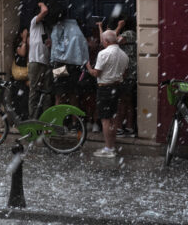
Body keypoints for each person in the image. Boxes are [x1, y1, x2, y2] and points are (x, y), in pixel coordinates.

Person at [85, 29, 129, 158]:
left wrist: (88, 67)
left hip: (104, 88)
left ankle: (108, 148)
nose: (102, 43)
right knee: (114, 119)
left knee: (105, 119)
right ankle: (112, 146)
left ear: (106, 41)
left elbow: (96, 73)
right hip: (117, 87)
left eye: (103, 41)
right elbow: (125, 73)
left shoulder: (103, 54)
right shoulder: (124, 55)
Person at [49, 13, 87, 106]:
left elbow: (54, 46)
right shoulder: (77, 30)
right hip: (74, 65)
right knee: (73, 94)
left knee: (59, 94)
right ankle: (74, 119)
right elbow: (83, 48)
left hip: (60, 64)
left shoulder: (58, 27)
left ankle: (58, 118)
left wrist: (54, 59)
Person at [28, 2, 53, 116]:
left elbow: (48, 44)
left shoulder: (46, 28)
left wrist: (49, 43)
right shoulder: (34, 22)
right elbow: (44, 11)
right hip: (36, 61)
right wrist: (41, 3)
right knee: (34, 92)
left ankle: (46, 119)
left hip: (46, 63)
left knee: (47, 93)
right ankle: (32, 118)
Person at [115, 17, 138, 138]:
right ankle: (129, 127)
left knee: (122, 101)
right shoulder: (134, 34)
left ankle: (119, 127)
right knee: (128, 101)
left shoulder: (128, 34)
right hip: (130, 73)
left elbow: (111, 40)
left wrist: (118, 27)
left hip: (127, 73)